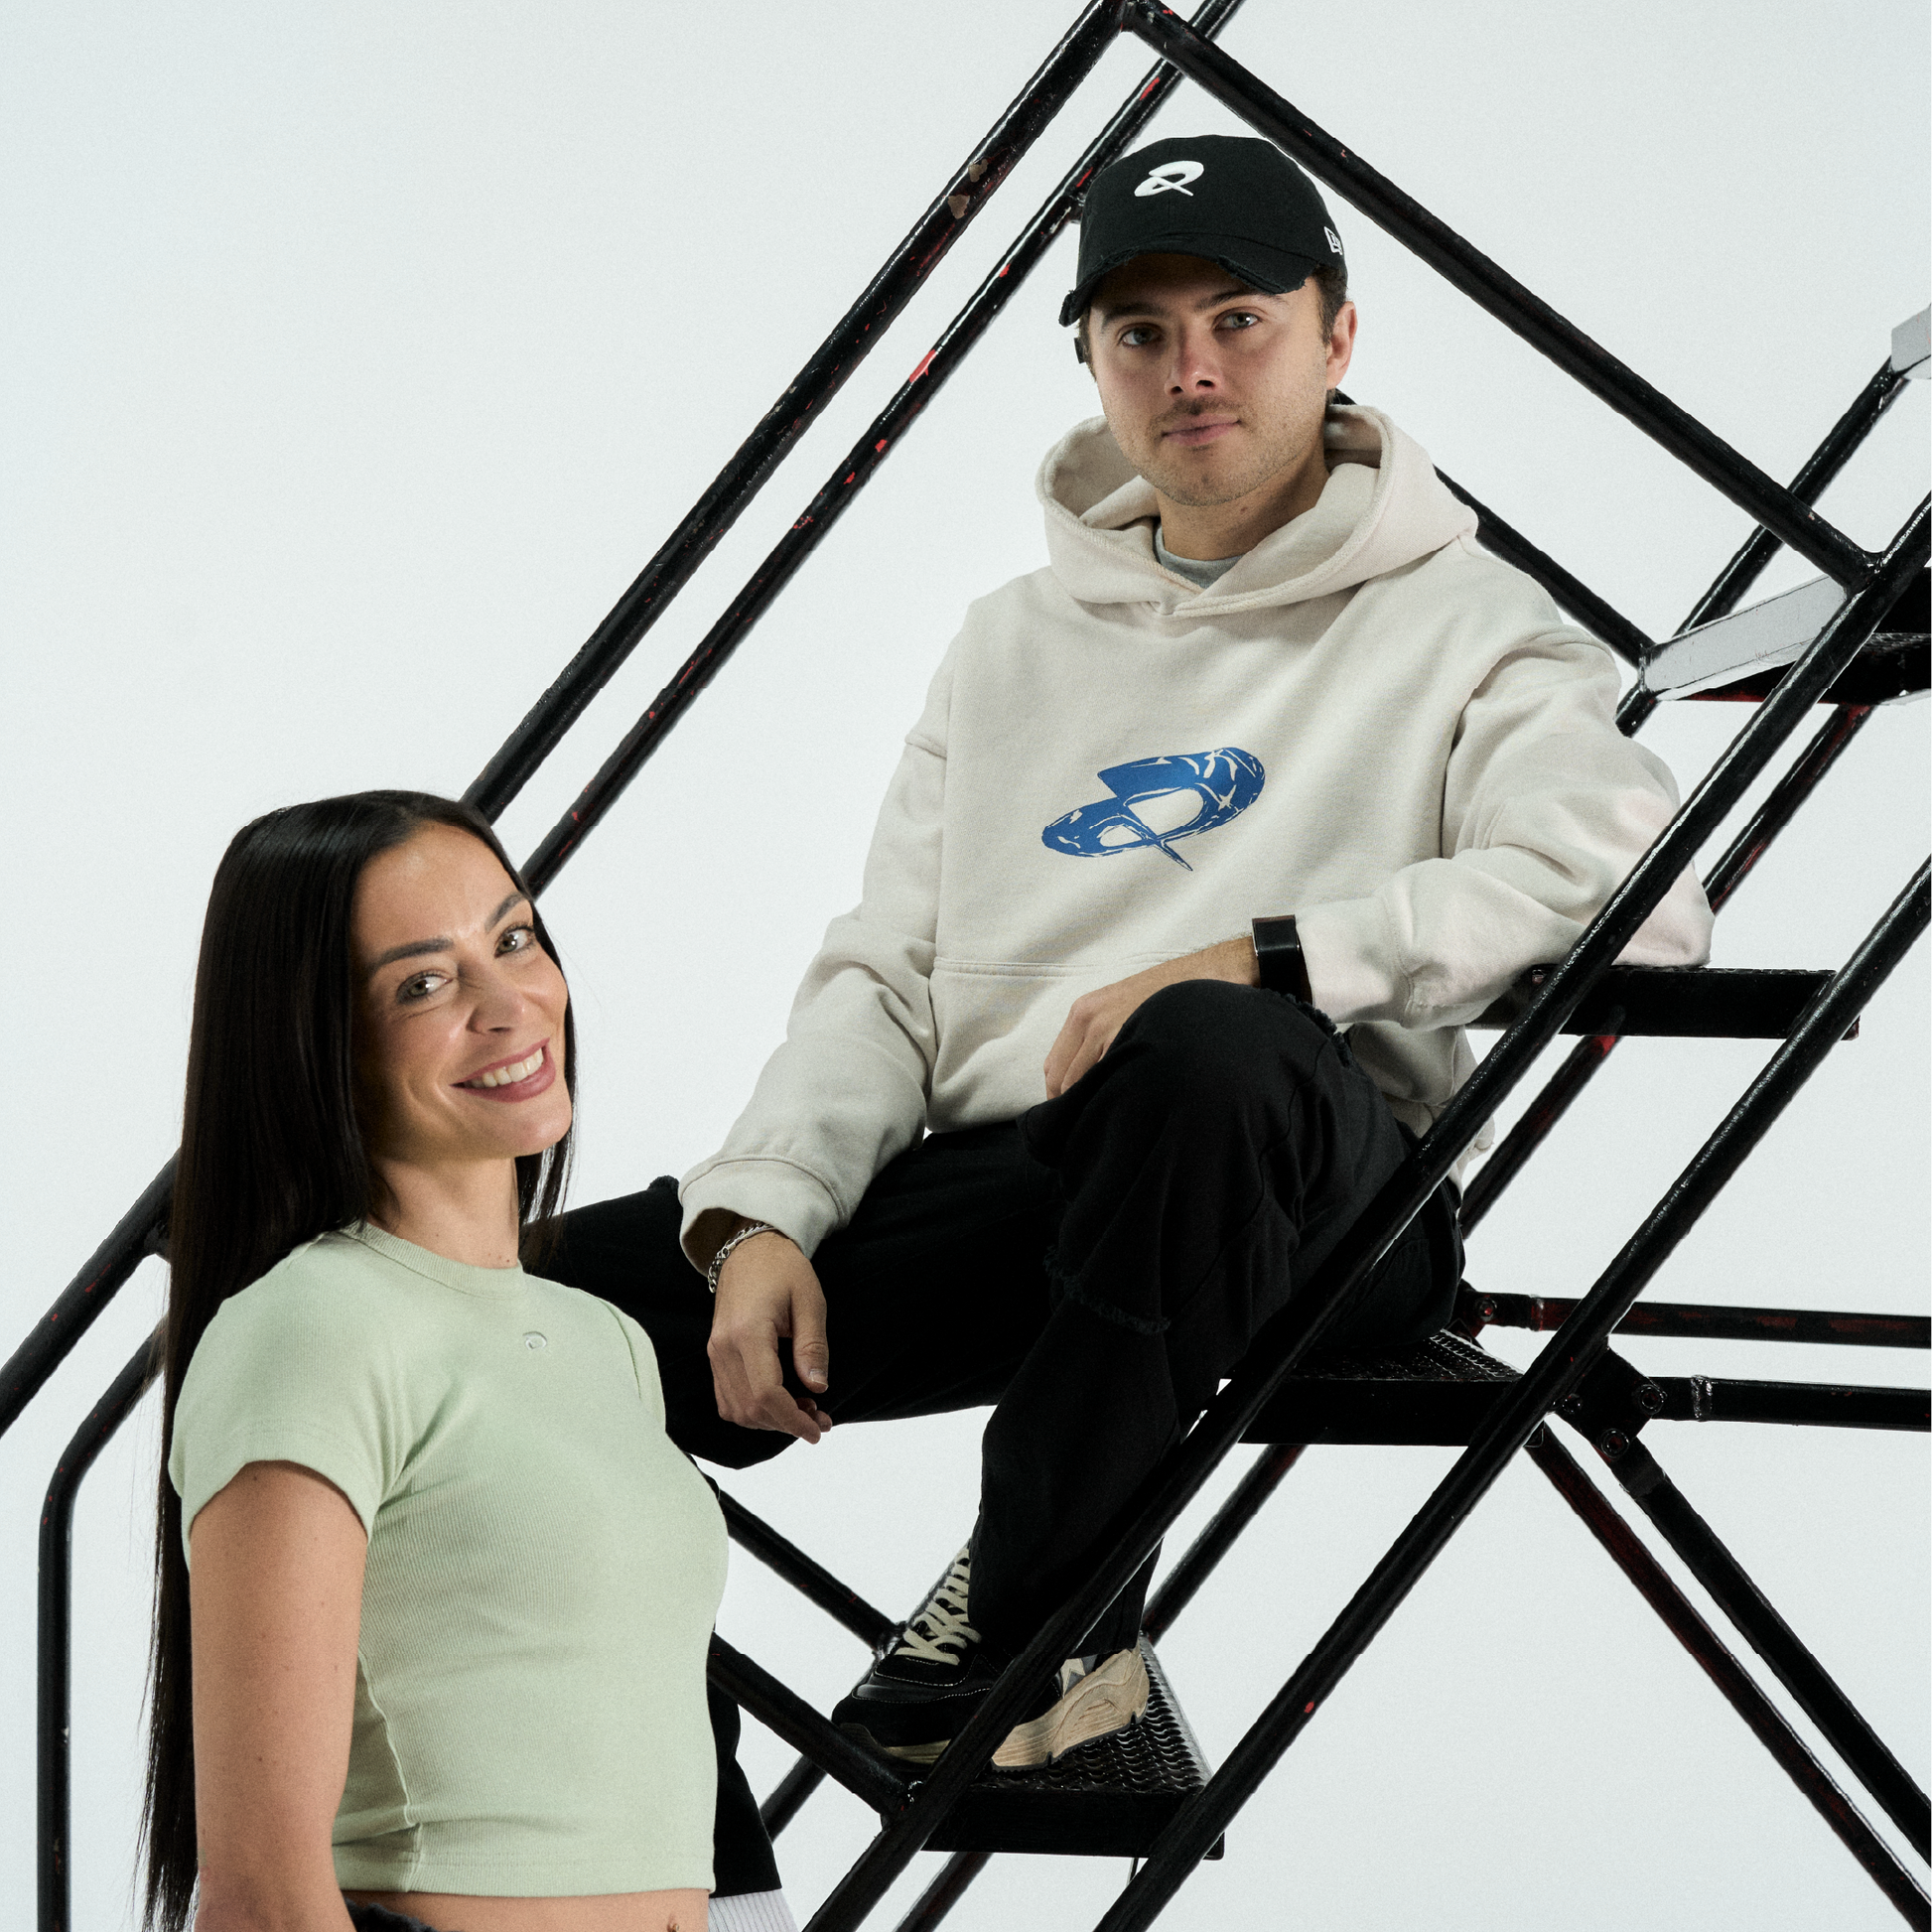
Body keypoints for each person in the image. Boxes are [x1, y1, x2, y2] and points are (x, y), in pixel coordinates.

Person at [539, 134, 1713, 1809]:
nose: (1191, 370)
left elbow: (1639, 896)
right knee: (511, 1327)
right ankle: (671, 1870)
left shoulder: (1473, 620)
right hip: (1041, 1188)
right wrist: (759, 1219)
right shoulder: (1008, 642)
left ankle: (1044, 1616)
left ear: (1337, 333)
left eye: (1239, 319)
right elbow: (886, 976)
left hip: (1320, 1203)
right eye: (1140, 334)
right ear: (1091, 362)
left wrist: (1270, 954)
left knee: (1207, 1045)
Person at [144, 792, 784, 1932]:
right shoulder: (311, 1326)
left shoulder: (604, 1338)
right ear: (313, 1037)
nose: (509, 1003)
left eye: (514, 938)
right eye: (423, 983)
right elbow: (260, 1894)